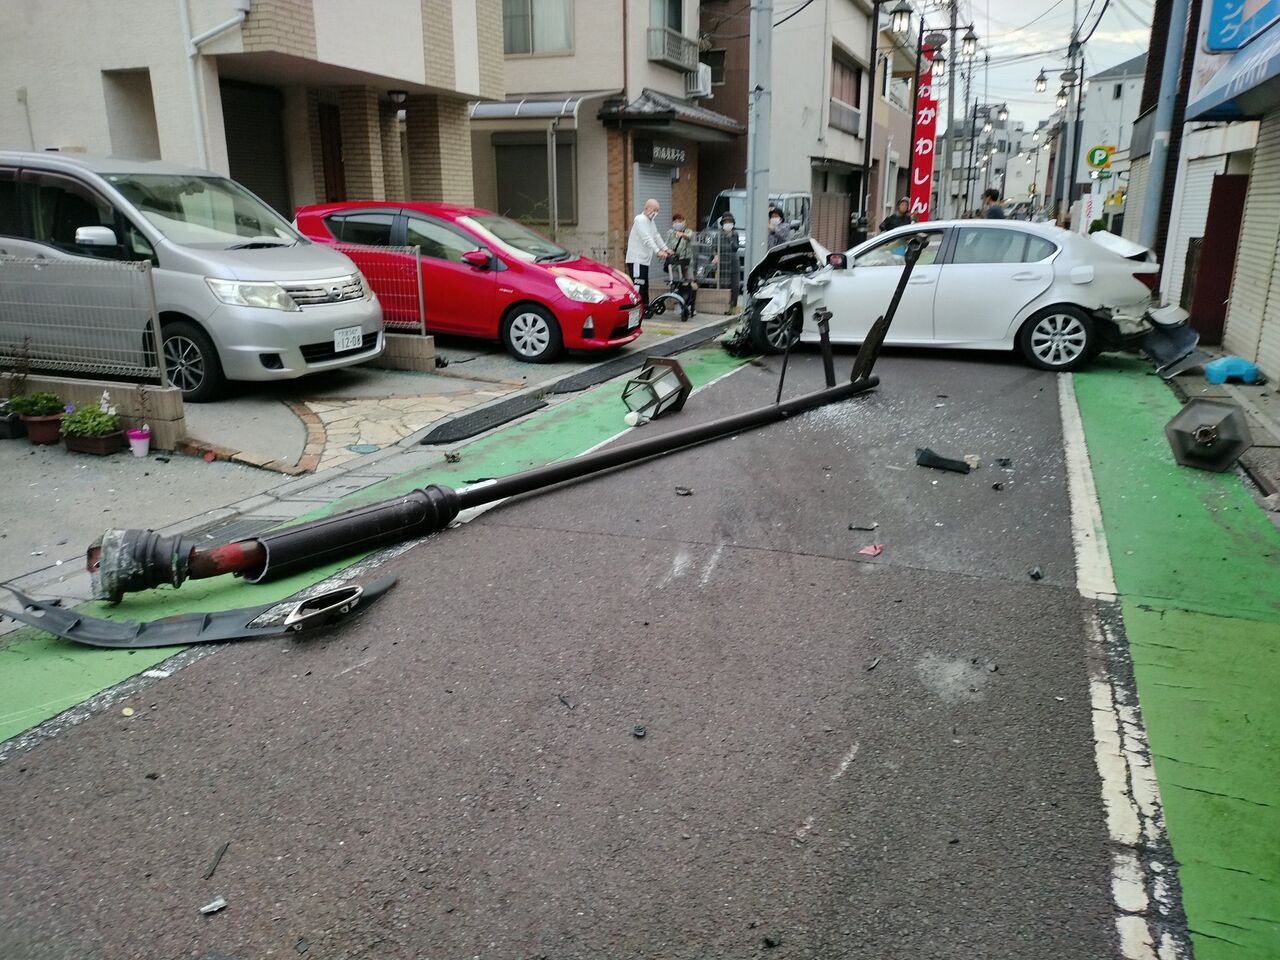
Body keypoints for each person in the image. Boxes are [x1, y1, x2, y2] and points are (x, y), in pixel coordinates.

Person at [625, 198, 670, 307]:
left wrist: (665, 248)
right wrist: (658, 251)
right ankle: (636, 307)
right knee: (638, 285)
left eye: (657, 211)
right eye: (655, 210)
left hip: (644, 260)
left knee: (644, 285)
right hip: (636, 259)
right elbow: (647, 238)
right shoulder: (640, 219)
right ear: (647, 208)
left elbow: (656, 235)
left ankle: (644, 307)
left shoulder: (650, 221)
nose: (656, 213)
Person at [665, 213, 697, 315]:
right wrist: (667, 252)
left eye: (679, 221)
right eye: (675, 221)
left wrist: (682, 235)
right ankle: (677, 306)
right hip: (674, 263)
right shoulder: (670, 233)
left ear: (684, 222)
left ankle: (691, 306)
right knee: (675, 283)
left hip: (687, 263)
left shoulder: (688, 231)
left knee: (691, 283)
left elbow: (690, 237)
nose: (677, 223)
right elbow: (666, 245)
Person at [710, 211, 741, 310]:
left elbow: (736, 247)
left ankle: (733, 306)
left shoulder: (735, 234)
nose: (727, 224)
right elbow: (713, 248)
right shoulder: (718, 235)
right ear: (722, 224)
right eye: (725, 222)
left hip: (733, 262)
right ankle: (724, 307)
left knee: (735, 286)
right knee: (724, 285)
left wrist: (730, 239)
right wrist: (715, 256)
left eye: (729, 222)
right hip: (723, 263)